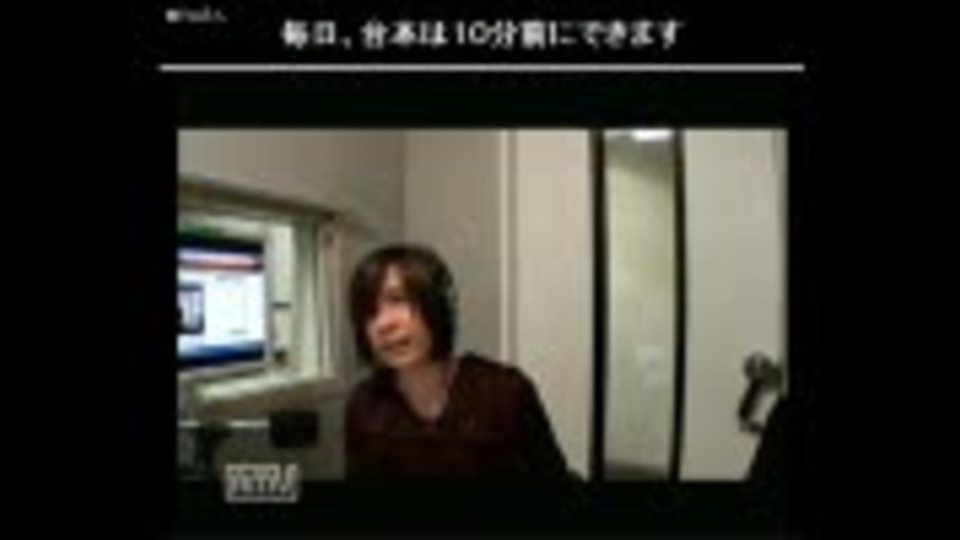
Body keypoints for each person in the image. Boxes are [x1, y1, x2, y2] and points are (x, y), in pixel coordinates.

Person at [344, 244, 569, 477]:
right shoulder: (364, 406)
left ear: (437, 304)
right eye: (369, 312)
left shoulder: (505, 393)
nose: (383, 324)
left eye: (397, 300)